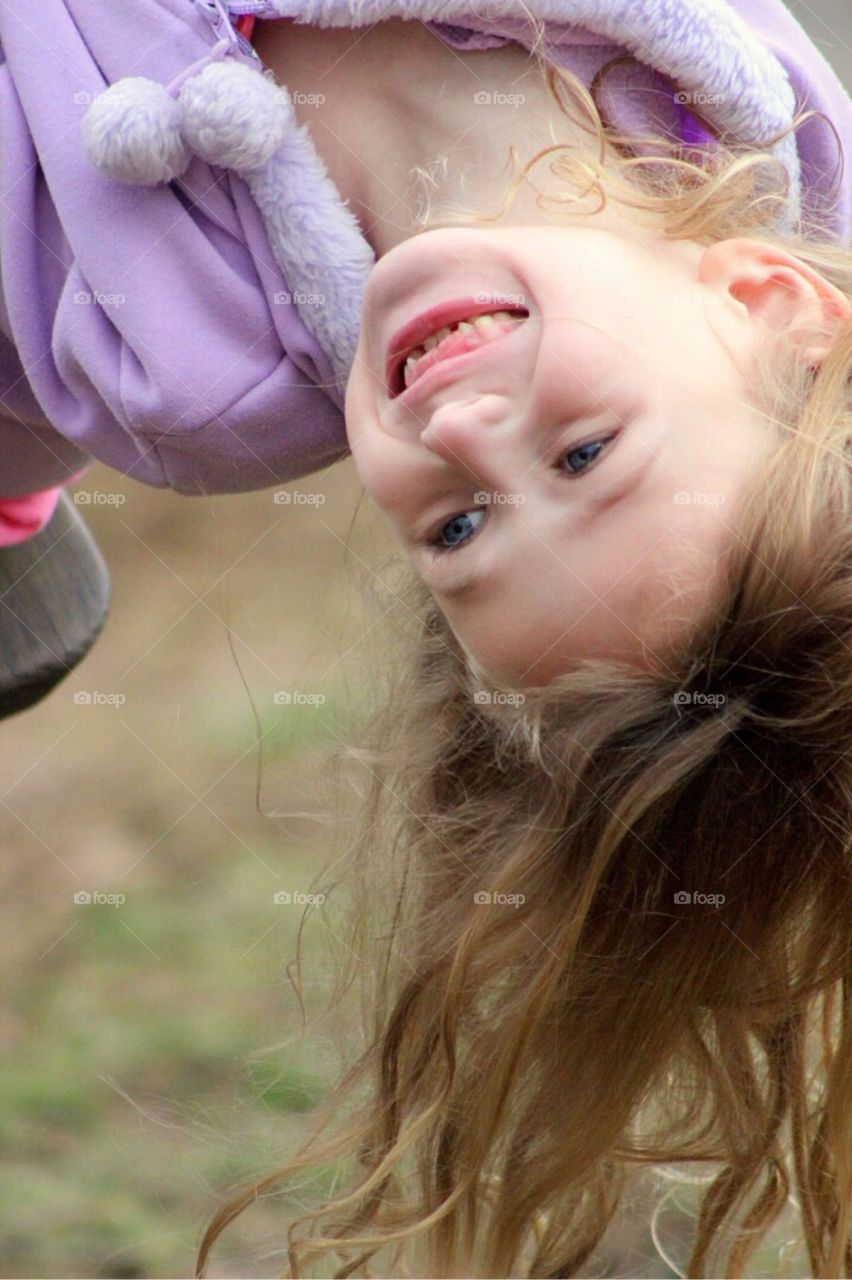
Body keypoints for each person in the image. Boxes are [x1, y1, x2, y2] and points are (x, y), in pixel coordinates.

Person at [188, 4, 850, 1279]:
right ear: (764, 300)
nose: (464, 436)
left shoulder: (188, 364)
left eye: (459, 527)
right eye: (585, 453)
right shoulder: (714, 68)